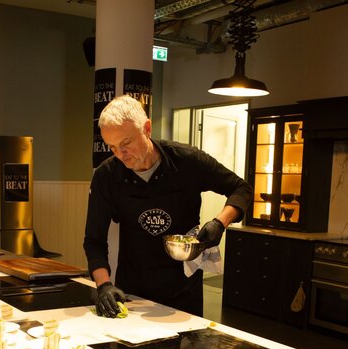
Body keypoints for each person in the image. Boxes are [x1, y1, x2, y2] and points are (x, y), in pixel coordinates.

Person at [84, 95, 253, 317]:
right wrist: (104, 285)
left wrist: (220, 223)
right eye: (112, 147)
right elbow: (94, 240)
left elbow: (242, 189)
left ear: (147, 128)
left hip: (183, 286)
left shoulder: (187, 161)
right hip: (134, 291)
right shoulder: (107, 176)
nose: (120, 155)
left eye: (126, 143)